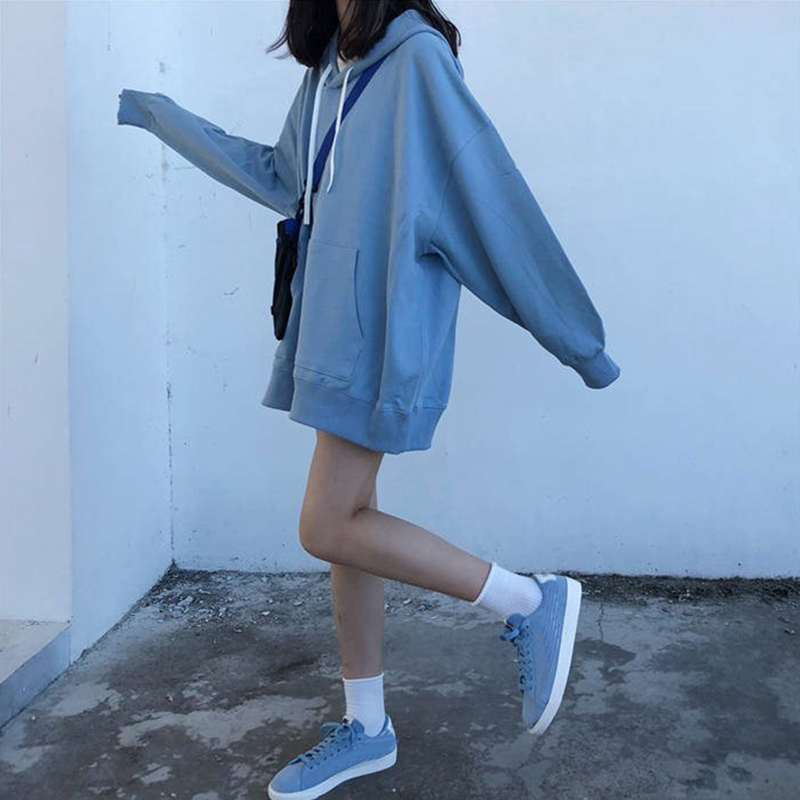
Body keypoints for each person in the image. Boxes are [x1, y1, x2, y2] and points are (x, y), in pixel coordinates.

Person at [117, 1, 621, 797]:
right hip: (326, 333)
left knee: (327, 524)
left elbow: (492, 204)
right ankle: (367, 725)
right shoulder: (330, 63)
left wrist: (580, 343)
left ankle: (528, 600)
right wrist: (166, 119)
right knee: (350, 527)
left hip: (382, 336)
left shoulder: (418, 61)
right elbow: (285, 177)